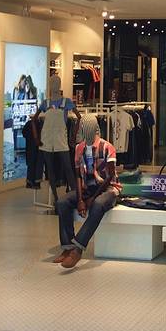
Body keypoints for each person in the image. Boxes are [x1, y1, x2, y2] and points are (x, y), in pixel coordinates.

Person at [53, 114, 121, 269]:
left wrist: (92, 198)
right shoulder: (79, 148)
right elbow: (78, 175)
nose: (83, 131)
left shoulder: (107, 147)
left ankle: (77, 249)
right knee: (62, 202)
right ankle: (67, 247)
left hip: (108, 188)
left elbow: (109, 177)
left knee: (98, 204)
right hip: (87, 188)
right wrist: (80, 199)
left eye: (85, 128)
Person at [32, 75, 81, 207]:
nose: (54, 85)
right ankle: (56, 198)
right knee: (50, 170)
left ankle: (76, 196)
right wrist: (36, 138)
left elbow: (79, 117)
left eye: (56, 82)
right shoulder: (45, 103)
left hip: (61, 139)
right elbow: (33, 119)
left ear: (59, 85)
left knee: (68, 168)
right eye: (52, 82)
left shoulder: (66, 102)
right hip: (47, 140)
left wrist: (73, 136)